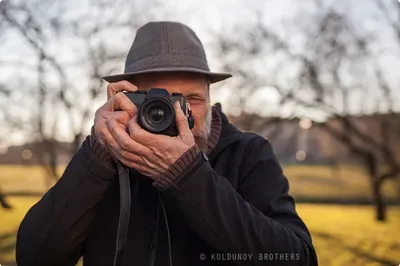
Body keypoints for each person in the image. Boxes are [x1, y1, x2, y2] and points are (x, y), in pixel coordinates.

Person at [16, 21, 318, 266]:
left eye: (193, 99)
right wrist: (97, 157)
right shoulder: (105, 158)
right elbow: (34, 257)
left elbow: (296, 258)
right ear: (124, 99)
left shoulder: (248, 153)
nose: (179, 113)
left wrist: (189, 176)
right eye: (158, 101)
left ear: (211, 99)